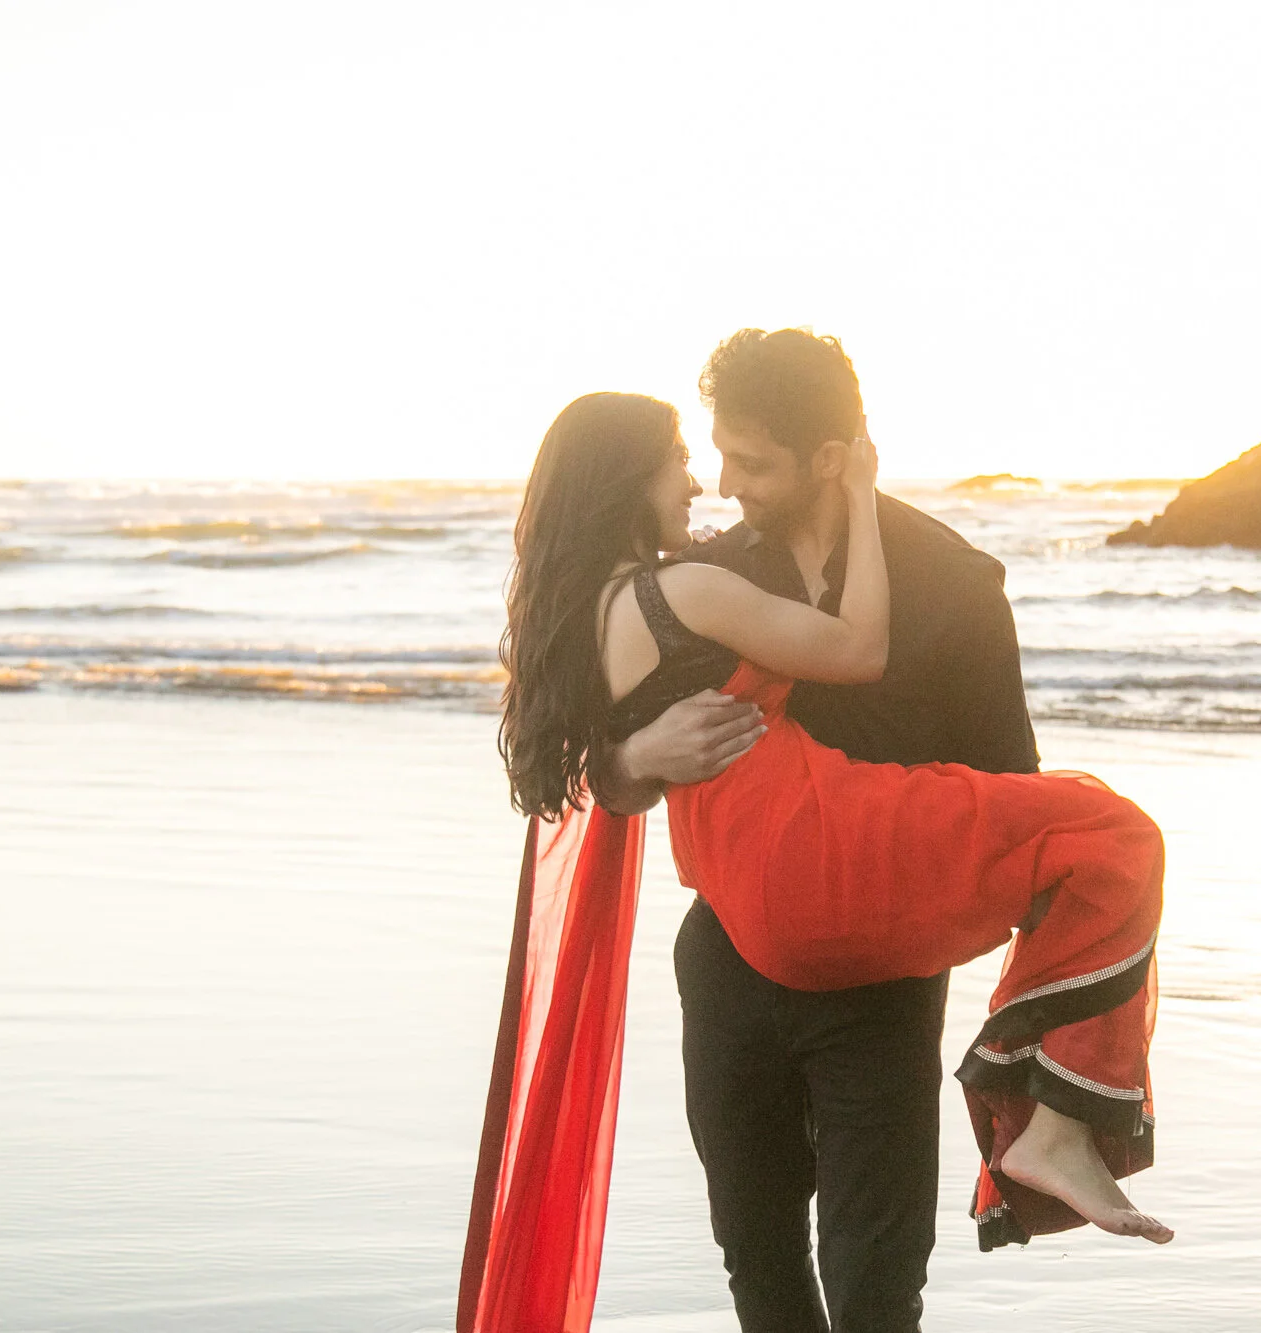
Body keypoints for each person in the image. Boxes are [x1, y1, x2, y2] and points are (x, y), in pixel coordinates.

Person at [462, 335, 1167, 1333]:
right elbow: (599, 766)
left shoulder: (950, 583)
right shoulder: (707, 569)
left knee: (876, 1282)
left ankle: (1052, 1130)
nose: (724, 484)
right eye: (716, 454)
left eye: (751, 462)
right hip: (728, 964)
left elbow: (1007, 790)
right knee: (758, 1260)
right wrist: (640, 753)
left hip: (878, 984)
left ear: (828, 459)